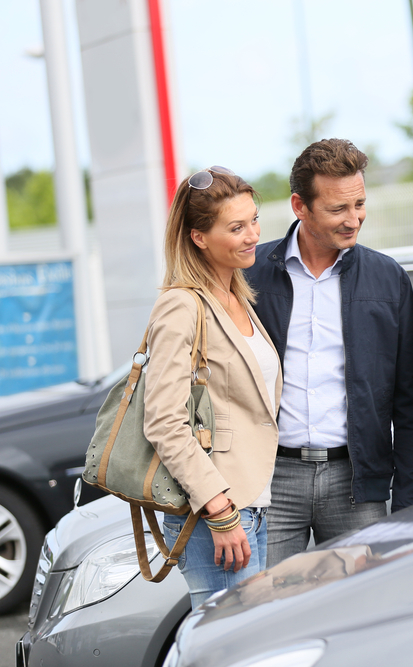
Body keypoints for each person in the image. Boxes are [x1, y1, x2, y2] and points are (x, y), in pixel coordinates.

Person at [245, 138, 413, 567]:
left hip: (357, 483)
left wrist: (410, 506)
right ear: (300, 206)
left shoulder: (387, 279)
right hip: (270, 481)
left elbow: (410, 401)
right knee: (263, 604)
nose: (354, 220)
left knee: (364, 603)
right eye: (338, 209)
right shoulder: (250, 274)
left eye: (360, 204)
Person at [145, 166, 282, 608]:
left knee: (248, 636)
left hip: (249, 504)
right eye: (236, 228)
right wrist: (219, 509)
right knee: (229, 640)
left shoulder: (235, 296)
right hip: (216, 512)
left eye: (254, 221)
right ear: (199, 237)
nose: (253, 235)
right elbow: (163, 422)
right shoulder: (181, 305)